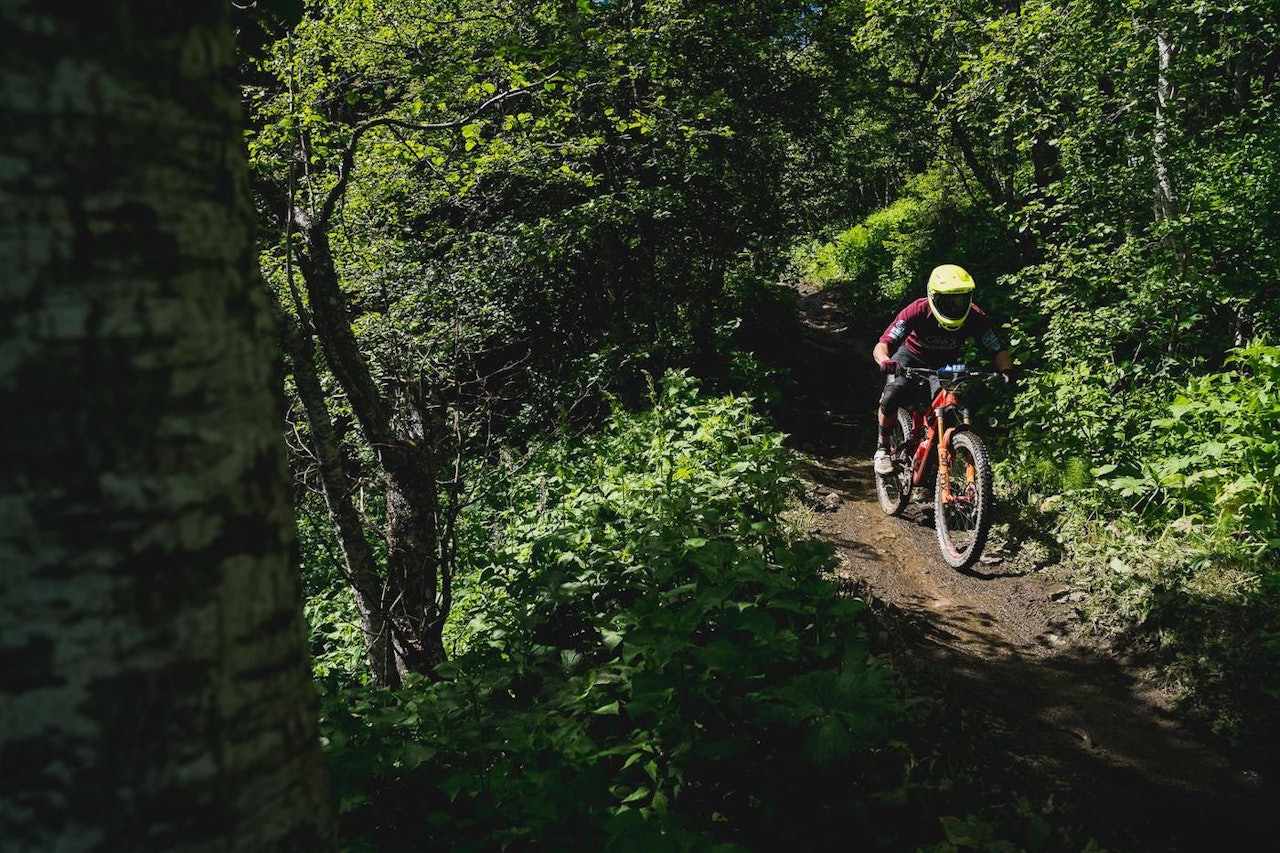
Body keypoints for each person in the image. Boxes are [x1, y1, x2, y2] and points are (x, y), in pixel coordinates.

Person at [872, 263, 1014, 475]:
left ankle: (935, 463)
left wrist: (1006, 371)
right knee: (892, 394)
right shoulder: (918, 310)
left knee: (950, 406)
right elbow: (883, 344)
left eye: (959, 300)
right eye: (947, 301)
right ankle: (882, 449)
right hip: (910, 358)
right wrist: (885, 361)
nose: (954, 307)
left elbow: (995, 348)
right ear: (933, 297)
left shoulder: (976, 317)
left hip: (945, 367)